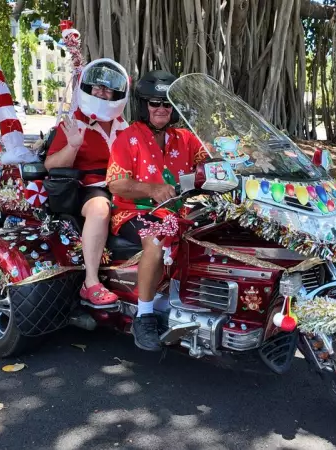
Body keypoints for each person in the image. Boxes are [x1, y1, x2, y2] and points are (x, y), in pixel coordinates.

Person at [107, 70, 209, 351]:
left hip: (176, 211)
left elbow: (211, 159)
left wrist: (232, 160)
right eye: (154, 103)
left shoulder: (186, 138)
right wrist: (152, 189)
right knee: (156, 238)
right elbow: (116, 184)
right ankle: (145, 315)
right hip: (133, 211)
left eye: (167, 103)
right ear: (143, 106)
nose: (161, 109)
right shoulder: (128, 138)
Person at [45, 59, 130, 308]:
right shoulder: (73, 123)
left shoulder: (127, 127)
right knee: (100, 208)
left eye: (107, 89)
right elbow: (51, 165)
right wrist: (73, 145)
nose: (101, 93)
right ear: (87, 88)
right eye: (96, 88)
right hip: (89, 187)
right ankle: (90, 282)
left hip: (124, 185)